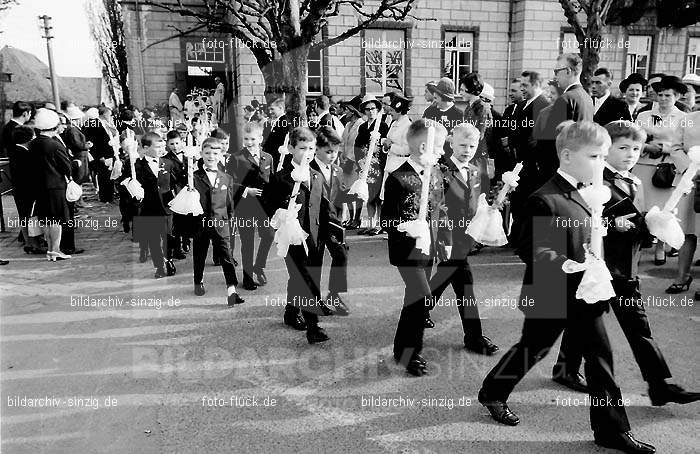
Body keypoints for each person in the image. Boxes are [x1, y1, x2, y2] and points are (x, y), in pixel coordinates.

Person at [478, 121, 655, 454]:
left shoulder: (588, 190)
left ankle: (610, 430)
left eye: (604, 155)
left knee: (600, 358)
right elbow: (530, 247)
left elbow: (588, 231)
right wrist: (568, 264)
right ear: (568, 155)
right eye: (594, 156)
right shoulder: (544, 198)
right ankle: (492, 392)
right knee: (533, 348)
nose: (601, 163)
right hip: (550, 291)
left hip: (584, 293)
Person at [560, 121, 700, 410]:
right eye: (622, 148)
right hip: (598, 266)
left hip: (627, 266)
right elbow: (579, 219)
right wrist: (612, 223)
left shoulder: (634, 180)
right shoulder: (594, 181)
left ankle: (659, 386)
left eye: (636, 148)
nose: (631, 154)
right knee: (585, 326)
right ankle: (566, 369)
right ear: (605, 149)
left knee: (639, 328)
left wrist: (655, 223)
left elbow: (638, 220)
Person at [381, 118, 445, 376]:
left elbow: (440, 209)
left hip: (428, 249)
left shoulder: (437, 173)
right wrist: (408, 227)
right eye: (438, 146)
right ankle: (412, 353)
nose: (442, 152)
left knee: (414, 299)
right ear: (422, 148)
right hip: (406, 251)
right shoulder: (398, 178)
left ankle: (404, 349)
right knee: (422, 297)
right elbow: (386, 219)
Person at [429, 122, 498, 354]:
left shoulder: (477, 169)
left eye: (471, 145)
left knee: (443, 280)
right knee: (466, 287)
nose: (467, 150)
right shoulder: (441, 170)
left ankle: (418, 311)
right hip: (448, 240)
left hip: (465, 239)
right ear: (451, 143)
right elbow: (437, 207)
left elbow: (478, 202)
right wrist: (444, 243)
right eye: (462, 145)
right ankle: (474, 337)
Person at [263, 127, 334, 343]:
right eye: (302, 148)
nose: (308, 152)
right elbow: (267, 203)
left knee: (302, 277)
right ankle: (313, 327)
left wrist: (333, 237)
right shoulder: (280, 178)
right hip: (292, 236)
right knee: (306, 278)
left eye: (311, 148)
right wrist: (280, 213)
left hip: (315, 236)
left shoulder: (316, 175)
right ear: (291, 148)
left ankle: (291, 311)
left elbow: (325, 207)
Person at [633, 75, 688, 266]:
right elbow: (634, 139)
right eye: (660, 95)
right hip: (642, 166)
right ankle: (637, 248)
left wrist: (664, 149)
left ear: (677, 97)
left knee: (664, 211)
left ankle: (660, 247)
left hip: (665, 170)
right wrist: (647, 147)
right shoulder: (643, 115)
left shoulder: (683, 118)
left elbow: (682, 145)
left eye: (668, 96)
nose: (663, 99)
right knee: (641, 210)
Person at [191, 137, 245, 306]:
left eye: (215, 153)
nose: (211, 156)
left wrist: (231, 222)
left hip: (221, 223)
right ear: (201, 154)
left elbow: (229, 203)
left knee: (227, 256)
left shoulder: (226, 178)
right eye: (207, 153)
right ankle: (198, 281)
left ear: (221, 155)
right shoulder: (193, 177)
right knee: (199, 254)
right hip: (201, 223)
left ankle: (232, 290)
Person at [226, 121, 275, 290]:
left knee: (269, 235)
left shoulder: (268, 157)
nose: (249, 142)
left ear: (260, 138)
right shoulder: (236, 157)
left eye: (253, 139)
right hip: (245, 206)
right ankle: (247, 278)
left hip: (264, 207)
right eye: (246, 139)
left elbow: (272, 181)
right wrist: (246, 190)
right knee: (247, 243)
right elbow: (229, 183)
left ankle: (259, 265)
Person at [309, 126, 350, 315]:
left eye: (335, 152)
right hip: (315, 223)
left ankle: (334, 294)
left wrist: (353, 196)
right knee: (315, 262)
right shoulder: (308, 169)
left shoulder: (337, 170)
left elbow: (340, 195)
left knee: (341, 255)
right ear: (316, 148)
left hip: (333, 222)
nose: (333, 155)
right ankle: (314, 299)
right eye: (328, 152)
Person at [535, 53, 594, 179]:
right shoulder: (587, 98)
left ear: (568, 71)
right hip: (578, 164)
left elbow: (550, 142)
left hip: (558, 168)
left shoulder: (565, 99)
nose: (555, 76)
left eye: (556, 71)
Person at [30, 108, 73, 262]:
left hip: (39, 186)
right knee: (56, 220)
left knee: (46, 219)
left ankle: (50, 249)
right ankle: (55, 250)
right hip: (55, 186)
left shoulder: (33, 144)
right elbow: (66, 167)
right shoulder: (54, 145)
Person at [665, 109, 700, 293]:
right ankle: (682, 276)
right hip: (687, 181)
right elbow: (675, 147)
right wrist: (690, 168)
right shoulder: (688, 119)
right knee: (687, 231)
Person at [134, 132, 177, 279]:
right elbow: (129, 183)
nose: (161, 149)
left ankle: (169, 259)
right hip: (149, 208)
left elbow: (177, 181)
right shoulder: (137, 166)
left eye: (162, 146)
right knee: (153, 239)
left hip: (167, 206)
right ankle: (159, 266)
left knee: (169, 236)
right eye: (157, 147)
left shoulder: (168, 163)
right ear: (146, 148)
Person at [354, 94, 389, 235]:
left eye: (373, 108)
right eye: (367, 109)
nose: (371, 112)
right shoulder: (362, 127)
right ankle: (370, 223)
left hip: (378, 164)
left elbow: (385, 146)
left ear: (377, 109)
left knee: (378, 196)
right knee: (368, 196)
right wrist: (360, 161)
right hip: (365, 165)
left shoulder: (383, 125)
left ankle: (379, 224)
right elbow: (357, 145)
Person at [8, 125, 44, 254]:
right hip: (27, 190)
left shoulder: (14, 151)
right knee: (30, 217)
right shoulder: (24, 154)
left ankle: (29, 242)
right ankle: (33, 244)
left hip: (19, 190)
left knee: (24, 216)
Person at [460, 73, 492, 192]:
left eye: (463, 90)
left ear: (471, 89)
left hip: (478, 155)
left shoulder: (482, 108)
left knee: (477, 189)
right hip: (470, 153)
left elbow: (480, 135)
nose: (460, 93)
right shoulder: (469, 107)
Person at [338, 95, 365, 229]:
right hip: (345, 161)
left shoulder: (360, 124)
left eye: (348, 110)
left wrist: (351, 159)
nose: (345, 112)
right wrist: (342, 156)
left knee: (356, 191)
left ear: (353, 111)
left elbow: (358, 145)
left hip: (355, 163)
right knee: (346, 191)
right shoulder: (348, 124)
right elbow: (343, 142)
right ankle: (350, 217)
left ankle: (357, 218)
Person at [162, 130, 188, 260]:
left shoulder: (188, 155)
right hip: (175, 191)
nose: (175, 146)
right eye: (172, 143)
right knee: (176, 222)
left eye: (177, 143)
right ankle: (176, 248)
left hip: (188, 190)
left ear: (182, 142)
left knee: (188, 217)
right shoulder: (166, 159)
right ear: (167, 144)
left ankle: (186, 242)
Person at [380, 93, 412, 200]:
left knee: (396, 200)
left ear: (399, 111)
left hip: (400, 166)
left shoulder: (407, 126)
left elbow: (407, 150)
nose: (390, 113)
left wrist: (390, 147)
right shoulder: (394, 123)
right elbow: (388, 141)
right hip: (390, 165)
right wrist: (385, 145)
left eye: (392, 111)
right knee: (388, 200)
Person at [424, 77, 463, 158]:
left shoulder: (459, 115)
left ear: (444, 97)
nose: (434, 101)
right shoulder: (429, 111)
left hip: (450, 160)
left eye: (436, 98)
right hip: (431, 159)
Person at [262, 98, 289, 169]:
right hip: (273, 159)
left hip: (278, 160)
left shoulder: (284, 122)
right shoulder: (279, 121)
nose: (270, 112)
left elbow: (280, 143)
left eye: (272, 109)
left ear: (280, 108)